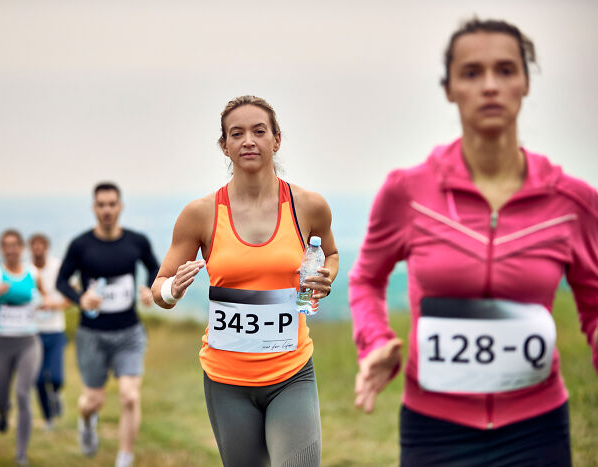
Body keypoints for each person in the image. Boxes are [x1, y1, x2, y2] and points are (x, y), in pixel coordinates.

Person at [349, 18, 598, 466]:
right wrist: (375, 340)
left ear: (525, 82)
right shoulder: (408, 193)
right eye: (471, 73)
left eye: (505, 70)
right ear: (449, 89)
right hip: (434, 428)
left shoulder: (572, 202)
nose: (489, 86)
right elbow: (366, 278)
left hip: (537, 429)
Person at [152, 95, 339, 467]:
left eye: (259, 131)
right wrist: (173, 289)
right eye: (236, 133)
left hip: (291, 372)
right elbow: (158, 288)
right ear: (225, 146)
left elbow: (330, 255)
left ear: (277, 139)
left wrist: (325, 277)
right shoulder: (200, 214)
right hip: (227, 380)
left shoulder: (308, 206)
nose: (248, 140)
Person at [56, 182, 159, 467]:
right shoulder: (81, 245)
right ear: (94, 208)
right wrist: (80, 298)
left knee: (129, 396)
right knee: (93, 401)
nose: (107, 210)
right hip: (92, 336)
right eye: (101, 205)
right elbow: (61, 281)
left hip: (129, 333)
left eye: (112, 204)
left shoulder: (136, 241)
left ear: (120, 206)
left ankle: (124, 458)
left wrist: (149, 288)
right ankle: (87, 423)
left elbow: (154, 267)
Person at [0, 229, 48, 466]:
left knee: (23, 394)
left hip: (28, 342)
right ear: (1, 249)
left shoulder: (33, 274)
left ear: (21, 248)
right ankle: (2, 412)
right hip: (1, 343)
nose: (11, 249)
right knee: (0, 396)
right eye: (6, 245)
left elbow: (43, 299)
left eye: (15, 245)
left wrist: (39, 304)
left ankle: (21, 454)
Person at [28, 233, 69, 430]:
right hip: (32, 332)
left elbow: (70, 298)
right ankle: (48, 418)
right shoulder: (25, 271)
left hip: (55, 330)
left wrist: (52, 305)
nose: (37, 249)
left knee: (55, 377)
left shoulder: (57, 268)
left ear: (47, 248)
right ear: (30, 249)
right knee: (37, 380)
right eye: (34, 246)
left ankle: (57, 395)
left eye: (41, 245)